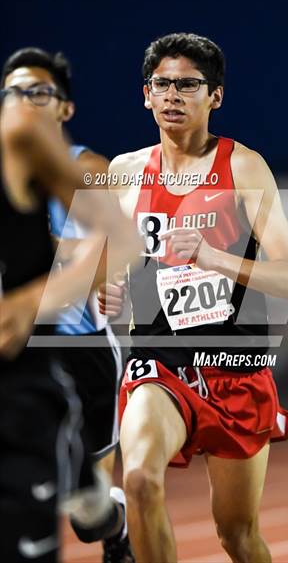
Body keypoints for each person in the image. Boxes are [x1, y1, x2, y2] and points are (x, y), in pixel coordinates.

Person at [100, 32, 288, 563]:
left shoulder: (242, 167)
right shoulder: (123, 172)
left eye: (188, 84)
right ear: (145, 94)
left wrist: (213, 258)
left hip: (233, 364)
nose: (172, 95)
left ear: (215, 96)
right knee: (142, 479)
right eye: (161, 84)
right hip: (158, 363)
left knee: (236, 534)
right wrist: (109, 289)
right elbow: (107, 264)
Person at [1, 48, 132, 562]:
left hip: (77, 346)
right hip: (20, 363)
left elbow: (116, 234)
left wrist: (95, 276)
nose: (24, 102)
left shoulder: (90, 168)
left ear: (65, 109)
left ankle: (114, 526)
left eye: (39, 91)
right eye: (13, 92)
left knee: (84, 510)